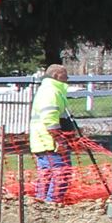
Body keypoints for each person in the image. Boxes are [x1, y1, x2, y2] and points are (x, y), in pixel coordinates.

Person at [30, 63, 77, 200]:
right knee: (60, 174)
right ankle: (52, 203)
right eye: (65, 75)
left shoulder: (49, 90)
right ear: (56, 75)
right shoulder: (51, 91)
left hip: (44, 142)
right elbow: (50, 119)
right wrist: (59, 140)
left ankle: (42, 203)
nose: (67, 77)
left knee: (47, 175)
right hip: (51, 143)